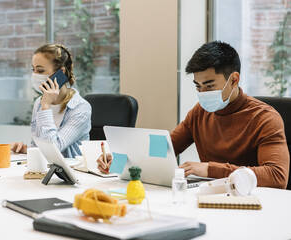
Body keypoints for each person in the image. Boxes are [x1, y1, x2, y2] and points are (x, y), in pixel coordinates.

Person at [97, 41, 289, 189]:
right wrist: (120, 161)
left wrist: (209, 169)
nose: (203, 93)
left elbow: (277, 176)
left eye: (210, 85)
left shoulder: (265, 118)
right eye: (198, 86)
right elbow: (162, 148)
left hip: (251, 205)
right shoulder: (200, 112)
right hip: (207, 199)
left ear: (234, 80)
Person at [11, 44, 91, 158]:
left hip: (71, 173)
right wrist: (26, 150)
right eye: (33, 70)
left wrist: (46, 107)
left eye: (40, 70)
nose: (35, 75)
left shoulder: (81, 108)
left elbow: (54, 148)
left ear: (61, 72)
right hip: (45, 170)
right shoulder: (39, 102)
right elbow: (39, 147)